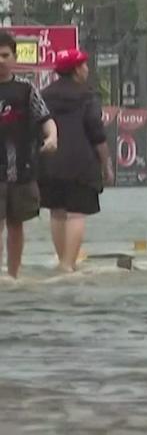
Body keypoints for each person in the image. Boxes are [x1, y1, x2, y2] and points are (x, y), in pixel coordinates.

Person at [38, 49, 112, 273]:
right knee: (77, 213)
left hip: (48, 162)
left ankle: (63, 261)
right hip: (81, 163)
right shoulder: (87, 96)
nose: (87, 69)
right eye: (84, 65)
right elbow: (96, 133)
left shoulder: (43, 94)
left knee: (57, 211)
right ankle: (69, 265)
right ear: (76, 69)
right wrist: (106, 165)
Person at [0, 31, 58, 279]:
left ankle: (13, 275)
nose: (1, 60)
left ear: (14, 57)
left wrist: (52, 137)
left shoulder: (26, 90)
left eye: (5, 55)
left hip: (21, 169)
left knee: (16, 224)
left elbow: (46, 118)